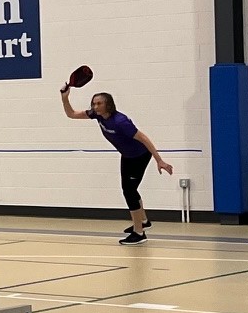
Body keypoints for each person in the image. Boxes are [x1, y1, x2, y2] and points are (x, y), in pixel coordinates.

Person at [61, 86, 172, 244]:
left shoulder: (120, 121)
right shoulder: (97, 115)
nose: (95, 106)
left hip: (139, 156)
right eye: (94, 103)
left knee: (129, 191)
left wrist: (159, 160)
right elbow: (71, 114)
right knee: (129, 189)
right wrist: (65, 98)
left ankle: (139, 233)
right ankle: (144, 221)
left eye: (99, 103)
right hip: (127, 156)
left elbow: (144, 138)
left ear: (108, 105)